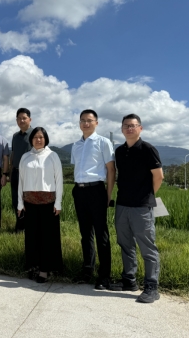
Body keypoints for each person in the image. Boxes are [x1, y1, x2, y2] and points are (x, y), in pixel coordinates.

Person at [111, 114, 163, 303]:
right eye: (126, 125)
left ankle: (152, 287)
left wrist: (147, 195)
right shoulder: (119, 151)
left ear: (140, 128)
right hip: (122, 204)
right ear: (122, 129)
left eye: (133, 125)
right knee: (125, 244)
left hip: (141, 207)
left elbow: (159, 176)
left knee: (147, 247)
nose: (129, 128)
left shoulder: (148, 149)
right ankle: (129, 280)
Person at [70, 109, 116, 290]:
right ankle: (87, 271)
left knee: (101, 234)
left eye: (89, 120)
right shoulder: (76, 145)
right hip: (79, 191)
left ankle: (104, 276)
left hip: (96, 190)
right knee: (85, 234)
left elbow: (111, 170)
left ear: (96, 123)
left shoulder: (103, 142)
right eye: (82, 120)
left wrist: (108, 195)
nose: (86, 123)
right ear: (79, 123)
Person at [17, 127, 63, 283]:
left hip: (48, 203)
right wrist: (20, 203)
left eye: (41, 137)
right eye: (35, 137)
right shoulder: (25, 157)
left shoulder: (52, 156)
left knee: (47, 238)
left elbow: (59, 180)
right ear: (31, 139)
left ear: (45, 139)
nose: (38, 140)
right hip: (29, 203)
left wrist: (58, 202)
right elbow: (21, 181)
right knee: (32, 237)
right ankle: (33, 266)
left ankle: (45, 269)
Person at [10, 108, 32, 233]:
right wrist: (10, 171)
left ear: (30, 119)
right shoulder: (15, 136)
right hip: (16, 172)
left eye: (24, 118)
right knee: (16, 201)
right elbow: (13, 154)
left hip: (30, 174)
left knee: (28, 201)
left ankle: (29, 227)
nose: (21, 120)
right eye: (19, 118)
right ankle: (19, 226)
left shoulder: (35, 134)